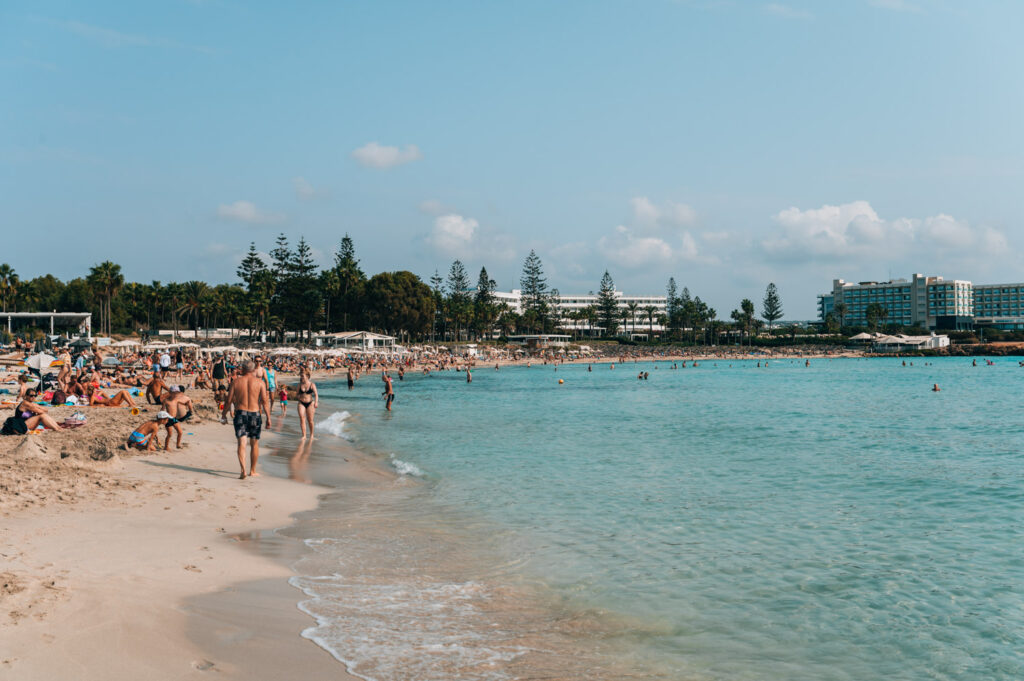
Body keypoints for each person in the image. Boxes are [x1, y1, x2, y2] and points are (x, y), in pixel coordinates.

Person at [222, 360, 272, 479]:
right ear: (254, 370)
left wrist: (223, 415)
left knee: (242, 443)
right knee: (254, 443)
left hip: (240, 413)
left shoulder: (236, 382)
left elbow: (228, 400)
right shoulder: (260, 383)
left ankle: (243, 470)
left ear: (243, 370)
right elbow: (265, 402)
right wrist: (269, 418)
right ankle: (252, 471)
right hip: (255, 414)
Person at [161, 386, 194, 450]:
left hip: (174, 418)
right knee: (169, 434)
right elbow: (162, 409)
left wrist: (188, 402)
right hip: (168, 419)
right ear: (170, 393)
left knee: (180, 432)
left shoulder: (176, 400)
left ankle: (178, 444)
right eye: (175, 393)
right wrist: (161, 417)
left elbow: (184, 401)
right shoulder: (166, 401)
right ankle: (166, 447)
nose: (176, 395)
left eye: (177, 393)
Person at [296, 371, 319, 438]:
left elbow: (316, 394)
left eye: (302, 376)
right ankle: (304, 435)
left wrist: (316, 402)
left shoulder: (312, 384)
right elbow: (297, 393)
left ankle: (311, 435)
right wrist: (298, 397)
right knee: (302, 419)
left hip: (310, 403)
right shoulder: (299, 384)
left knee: (310, 420)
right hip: (301, 403)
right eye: (301, 376)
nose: (301, 377)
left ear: (307, 376)